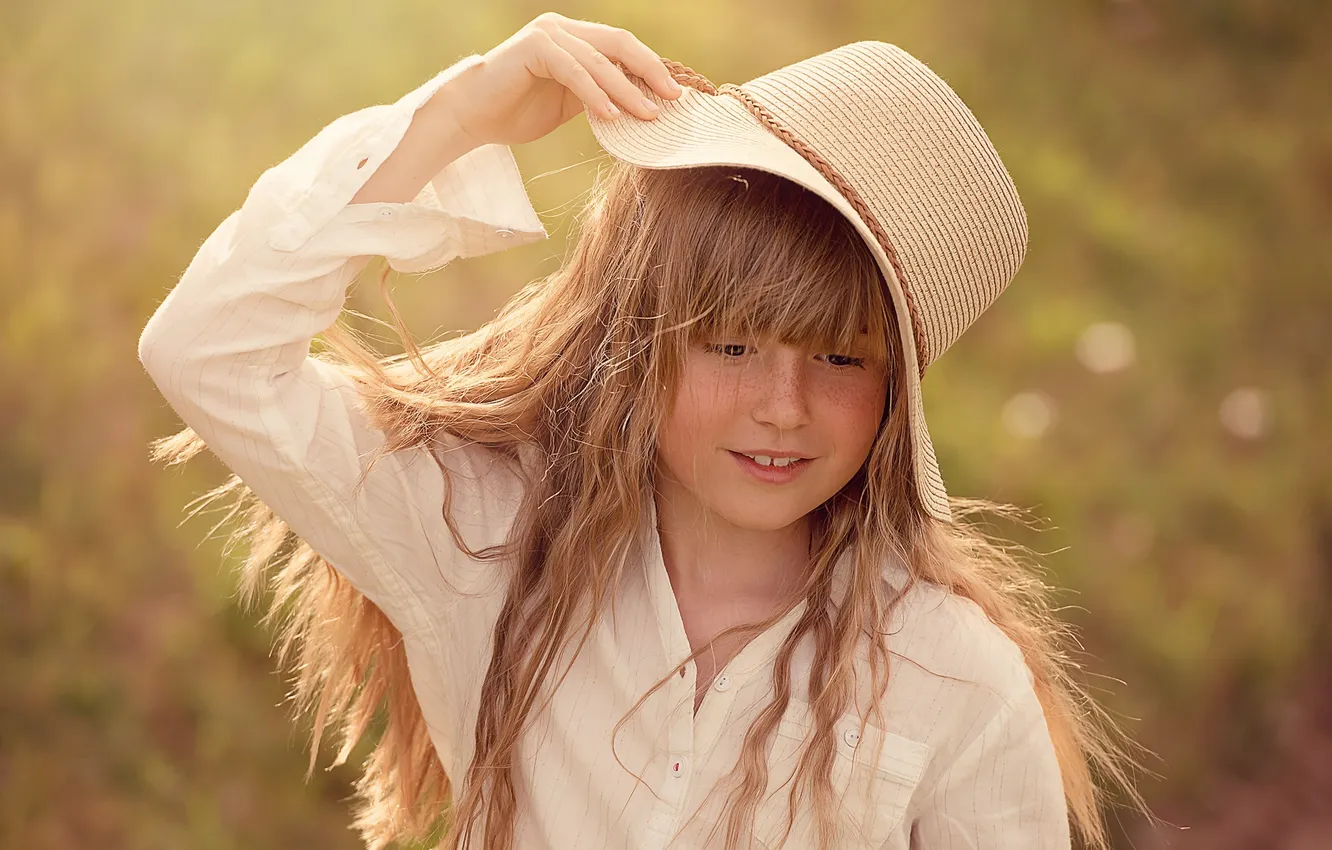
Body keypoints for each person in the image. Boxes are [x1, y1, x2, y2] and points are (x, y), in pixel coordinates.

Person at [138, 13, 1146, 850]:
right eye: (731, 345)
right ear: (643, 334)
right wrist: (461, 112)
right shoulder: (483, 538)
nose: (783, 405)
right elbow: (208, 351)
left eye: (840, 357)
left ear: (896, 392)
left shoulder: (952, 678)